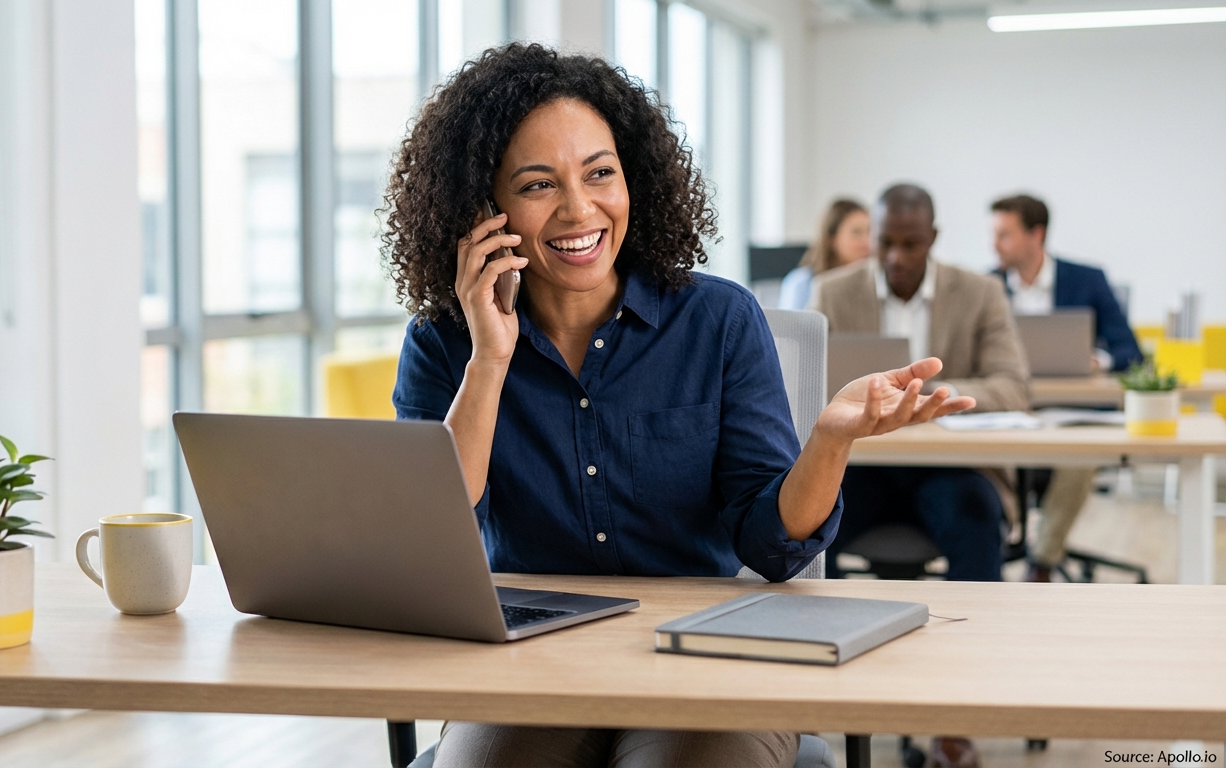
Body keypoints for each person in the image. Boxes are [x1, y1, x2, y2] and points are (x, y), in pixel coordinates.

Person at [385, 45, 974, 768]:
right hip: (528, 662)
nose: (580, 208)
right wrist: (491, 357)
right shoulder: (444, 341)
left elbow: (771, 547)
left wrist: (828, 442)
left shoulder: (717, 320)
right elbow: (433, 536)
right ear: (484, 210)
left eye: (600, 173)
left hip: (707, 648)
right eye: (539, 184)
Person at [812, 183, 1029, 768]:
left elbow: (1013, 385)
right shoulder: (833, 291)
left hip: (947, 467)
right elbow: (805, 389)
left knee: (977, 521)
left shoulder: (978, 293)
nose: (896, 257)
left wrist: (927, 397)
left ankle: (957, 715)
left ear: (931, 239)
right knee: (794, 528)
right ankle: (802, 699)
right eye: (885, 242)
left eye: (910, 244)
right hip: (862, 467)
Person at [990, 194, 1143, 582]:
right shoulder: (985, 286)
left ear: (1036, 235)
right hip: (1009, 410)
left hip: (1073, 410)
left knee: (1081, 452)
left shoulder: (1087, 280)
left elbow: (1131, 350)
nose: (995, 245)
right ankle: (992, 547)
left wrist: (1099, 360)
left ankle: (1043, 558)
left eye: (1005, 235)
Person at [777, 199, 871, 310]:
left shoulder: (874, 285)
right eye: (856, 232)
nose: (867, 242)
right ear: (832, 238)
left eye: (870, 232)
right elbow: (788, 326)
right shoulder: (802, 283)